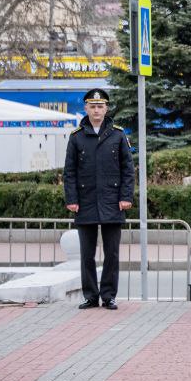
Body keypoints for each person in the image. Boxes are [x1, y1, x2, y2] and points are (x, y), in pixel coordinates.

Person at [63, 87, 134, 310]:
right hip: (85, 202)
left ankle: (109, 295)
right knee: (87, 255)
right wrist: (71, 199)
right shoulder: (77, 137)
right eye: (92, 106)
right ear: (86, 108)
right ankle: (91, 296)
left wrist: (125, 197)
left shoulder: (118, 135)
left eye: (100, 106)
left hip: (113, 201)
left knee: (112, 254)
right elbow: (69, 171)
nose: (96, 110)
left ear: (106, 108)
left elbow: (128, 169)